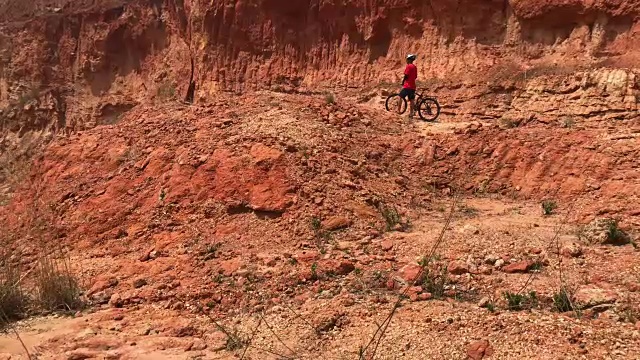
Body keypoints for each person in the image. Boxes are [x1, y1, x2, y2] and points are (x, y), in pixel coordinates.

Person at [399, 54, 418, 118]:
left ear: (409, 60)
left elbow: (406, 75)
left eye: (407, 59)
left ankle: (398, 111)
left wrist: (403, 82)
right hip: (413, 86)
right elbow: (415, 77)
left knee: (400, 96)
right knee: (412, 100)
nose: (406, 61)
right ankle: (411, 114)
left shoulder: (408, 66)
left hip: (407, 86)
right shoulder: (415, 67)